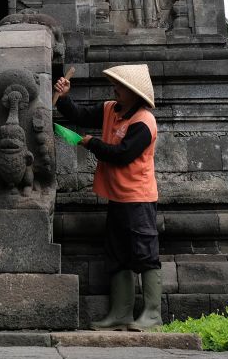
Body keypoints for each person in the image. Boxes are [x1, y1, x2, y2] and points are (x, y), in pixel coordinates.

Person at [53, 64, 161, 330]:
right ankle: (121, 313)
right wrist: (65, 97)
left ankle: (152, 314)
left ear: (133, 93)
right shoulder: (111, 109)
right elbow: (80, 115)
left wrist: (91, 143)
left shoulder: (144, 122)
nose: (115, 89)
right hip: (117, 197)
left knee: (145, 252)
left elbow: (122, 155)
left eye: (120, 87)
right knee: (117, 254)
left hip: (138, 198)